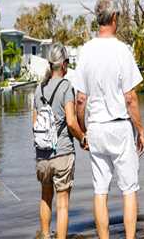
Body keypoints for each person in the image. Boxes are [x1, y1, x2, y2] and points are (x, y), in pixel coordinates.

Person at [74, 0, 144, 239]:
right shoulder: (122, 50)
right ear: (114, 17)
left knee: (100, 190)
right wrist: (141, 131)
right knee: (128, 190)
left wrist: (83, 131)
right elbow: (130, 98)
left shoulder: (85, 52)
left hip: (96, 128)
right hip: (119, 127)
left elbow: (81, 100)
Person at [32, 44, 87, 239]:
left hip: (42, 156)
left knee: (45, 197)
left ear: (50, 64)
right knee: (62, 203)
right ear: (63, 64)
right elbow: (71, 122)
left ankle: (46, 235)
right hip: (62, 154)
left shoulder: (39, 89)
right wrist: (83, 138)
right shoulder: (66, 87)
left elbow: (35, 123)